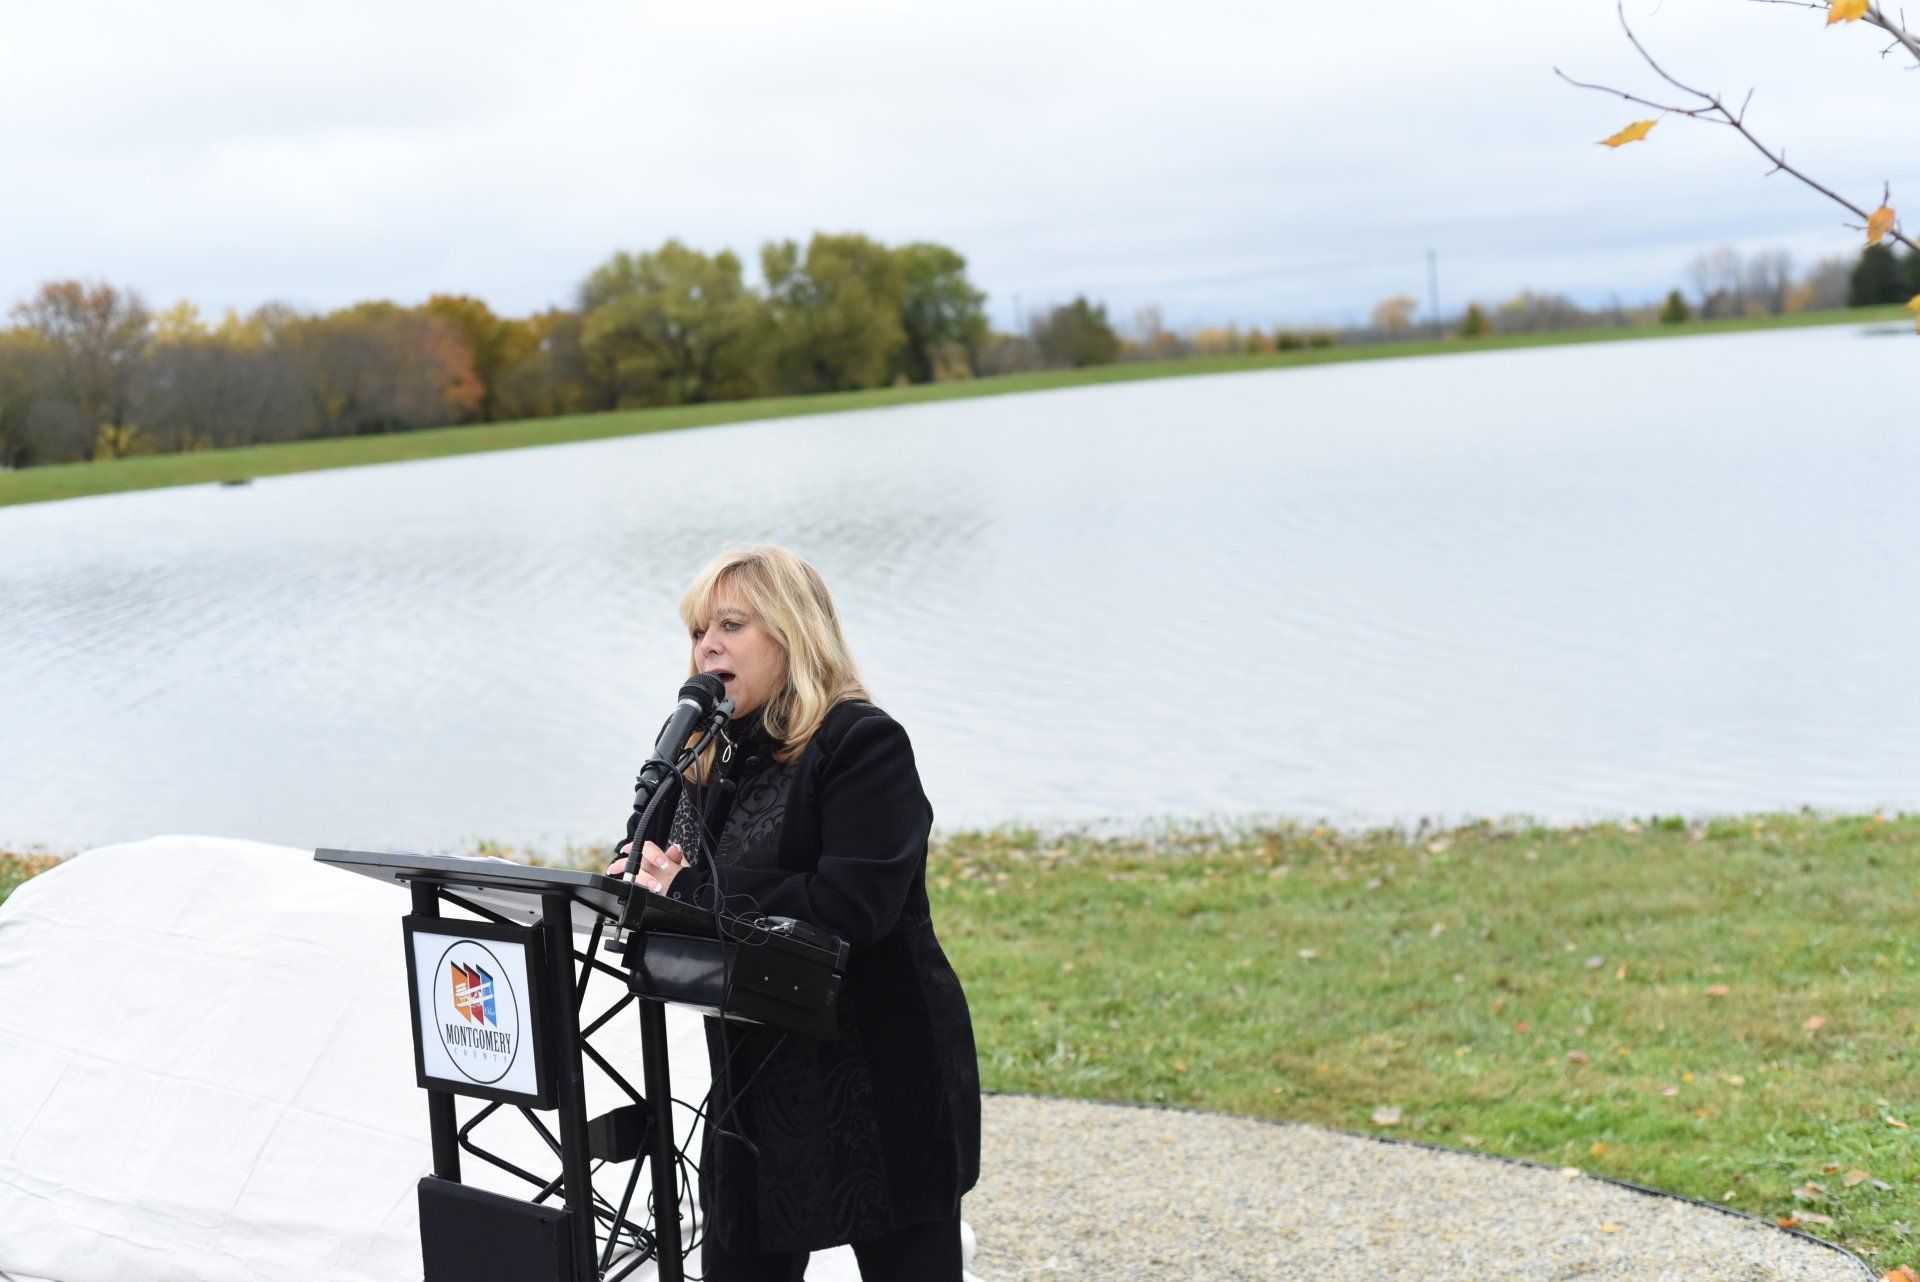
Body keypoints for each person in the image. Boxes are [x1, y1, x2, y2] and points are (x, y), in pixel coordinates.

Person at [609, 545, 980, 1282]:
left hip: (878, 1081)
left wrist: (691, 895)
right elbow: (665, 869)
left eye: (731, 625)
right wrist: (639, 880)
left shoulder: (862, 744)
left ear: (792, 634)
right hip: (756, 1087)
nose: (705, 645)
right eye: (696, 631)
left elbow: (851, 907)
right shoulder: (708, 758)